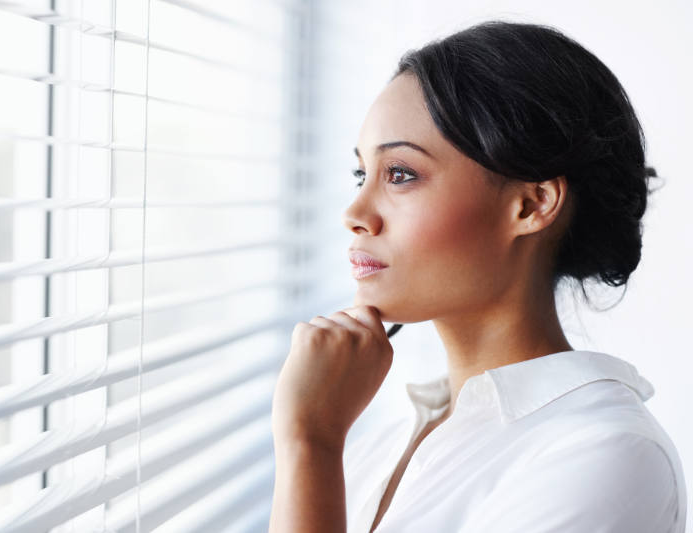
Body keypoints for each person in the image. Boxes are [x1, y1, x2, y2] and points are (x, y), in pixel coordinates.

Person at [269, 21, 686, 533]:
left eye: (400, 174)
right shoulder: (381, 446)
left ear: (531, 204)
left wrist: (309, 442)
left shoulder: (608, 456)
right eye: (362, 175)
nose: (354, 213)